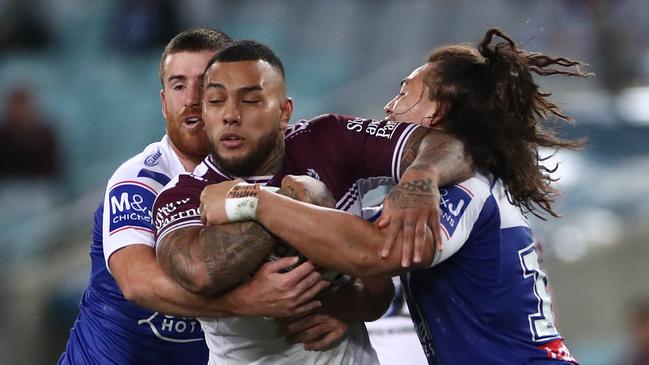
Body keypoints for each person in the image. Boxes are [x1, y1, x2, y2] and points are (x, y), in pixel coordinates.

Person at [202, 28, 588, 364]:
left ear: (438, 114)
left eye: (405, 93)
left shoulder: (467, 190)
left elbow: (376, 250)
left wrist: (252, 199)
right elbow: (350, 239)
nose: (390, 107)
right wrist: (349, 300)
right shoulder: (468, 187)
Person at [152, 40, 473, 364]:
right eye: (216, 101)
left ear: (284, 112)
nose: (231, 116)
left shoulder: (328, 140)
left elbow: (449, 145)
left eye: (250, 101)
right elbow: (199, 271)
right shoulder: (186, 194)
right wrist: (294, 201)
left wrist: (421, 175)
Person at [58, 28, 329, 365]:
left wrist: (340, 307)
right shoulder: (141, 179)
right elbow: (136, 283)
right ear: (163, 101)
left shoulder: (270, 177)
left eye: (204, 84)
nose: (190, 99)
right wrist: (245, 301)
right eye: (178, 85)